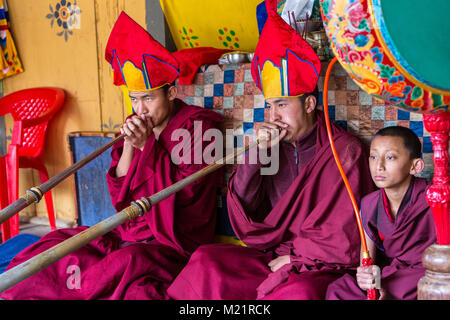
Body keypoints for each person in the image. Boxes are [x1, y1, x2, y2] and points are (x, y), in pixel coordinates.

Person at [0, 12, 223, 300]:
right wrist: (131, 145)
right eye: (134, 98)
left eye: (148, 98)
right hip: (128, 229)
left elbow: (190, 196)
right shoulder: (137, 122)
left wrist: (148, 147)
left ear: (171, 93)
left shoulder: (198, 126)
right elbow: (120, 194)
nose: (140, 109)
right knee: (58, 244)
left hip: (169, 240)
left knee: (124, 266)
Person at [167, 0, 374, 300]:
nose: (273, 116)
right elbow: (247, 217)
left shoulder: (344, 152)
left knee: (298, 293)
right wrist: (254, 155)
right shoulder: (272, 147)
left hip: (320, 266)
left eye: (281, 105)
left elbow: (345, 236)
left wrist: (296, 259)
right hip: (273, 255)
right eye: (269, 106)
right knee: (206, 261)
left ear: (309, 104)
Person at [326, 126, 436, 300]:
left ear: (415, 166)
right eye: (373, 157)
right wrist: (365, 278)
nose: (379, 166)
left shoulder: (435, 197)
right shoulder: (369, 203)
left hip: (428, 272)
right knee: (339, 289)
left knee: (404, 288)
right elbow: (367, 262)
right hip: (393, 272)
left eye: (390, 157)